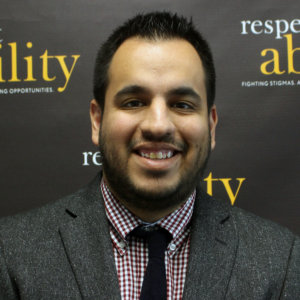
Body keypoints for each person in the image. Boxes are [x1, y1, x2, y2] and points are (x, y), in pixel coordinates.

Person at [0, 12, 299, 300]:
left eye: (182, 105)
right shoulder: (11, 252)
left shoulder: (280, 259)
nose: (158, 125)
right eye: (133, 102)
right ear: (96, 120)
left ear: (211, 125)